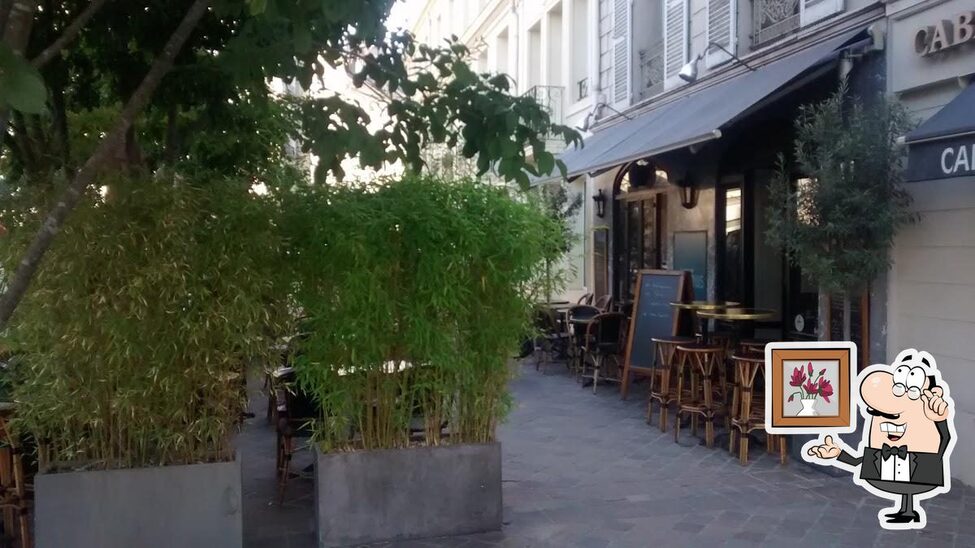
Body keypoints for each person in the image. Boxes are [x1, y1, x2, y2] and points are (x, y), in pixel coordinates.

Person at [805, 349, 955, 530]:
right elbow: (862, 462)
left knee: (910, 483)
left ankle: (908, 511)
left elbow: (945, 437)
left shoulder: (928, 419)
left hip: (920, 463)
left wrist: (939, 433)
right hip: (895, 463)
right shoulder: (882, 445)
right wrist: (838, 454)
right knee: (903, 483)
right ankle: (906, 510)